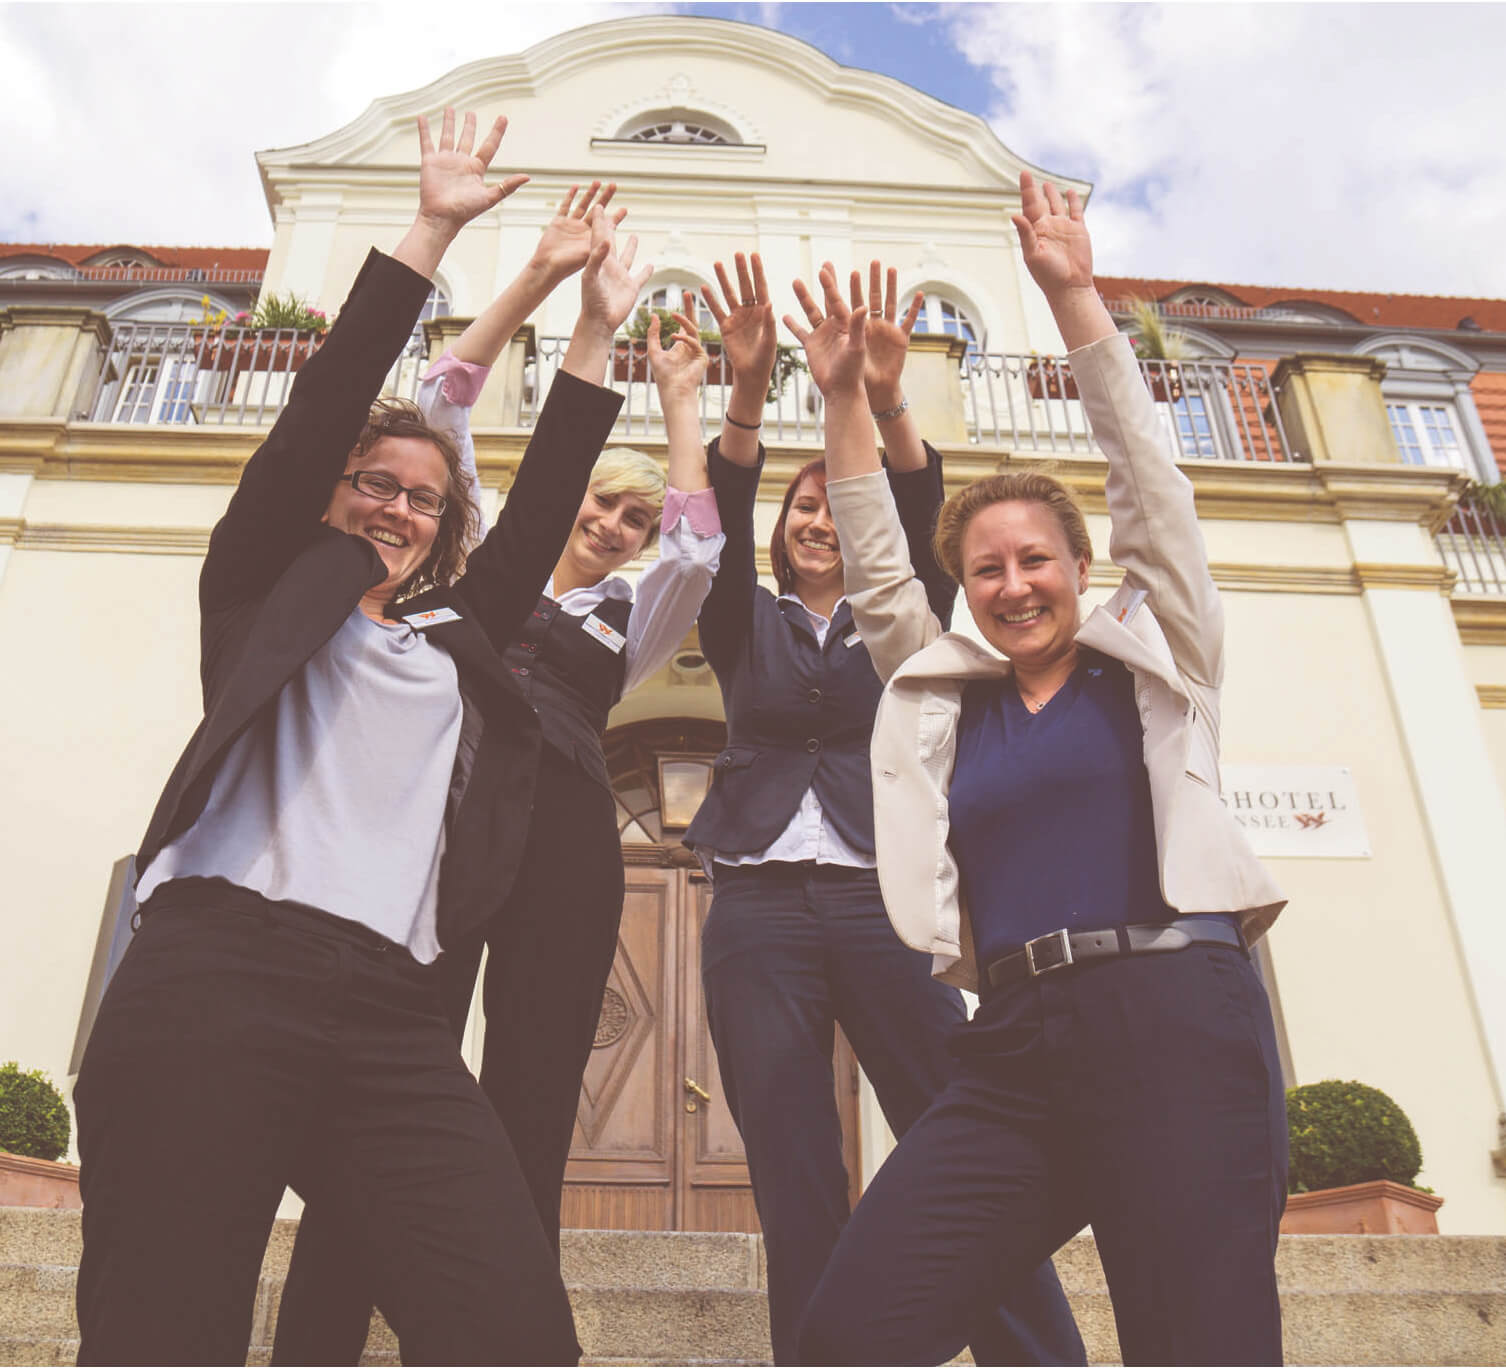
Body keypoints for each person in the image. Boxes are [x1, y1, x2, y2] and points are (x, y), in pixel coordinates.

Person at [71, 109, 651, 1367]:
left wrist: (599, 324)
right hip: (214, 976)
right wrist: (434, 225)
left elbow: (547, 493)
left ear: (446, 529)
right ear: (331, 492)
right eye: (372, 483)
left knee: (510, 1325)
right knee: (165, 1330)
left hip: (391, 1021)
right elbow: (318, 409)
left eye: (422, 497)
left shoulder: (458, 637)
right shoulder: (266, 591)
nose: (394, 504)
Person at [793, 172, 1290, 1366]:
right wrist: (845, 399)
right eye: (986, 570)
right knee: (855, 1328)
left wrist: (1073, 296)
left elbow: (1150, 488)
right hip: (1012, 1042)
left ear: (1081, 565)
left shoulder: (1154, 655)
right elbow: (873, 567)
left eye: (1037, 561)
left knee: (1200, 1347)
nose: (1014, 586)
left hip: (1177, 1015)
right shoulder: (944, 696)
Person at [271, 206, 724, 1363]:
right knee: (395, 1052)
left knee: (536, 1070)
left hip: (567, 819)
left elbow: (700, 552)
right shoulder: (474, 551)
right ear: (563, 495)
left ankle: (496, 1335)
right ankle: (319, 1333)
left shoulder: (632, 615)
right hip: (442, 799)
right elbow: (443, 397)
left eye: (632, 514)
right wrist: (537, 281)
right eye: (603, 503)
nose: (619, 525)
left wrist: (681, 407)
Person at [680, 254, 1084, 1367]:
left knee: (964, 1139)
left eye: (828, 504)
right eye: (802, 506)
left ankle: (1038, 1359)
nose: (818, 518)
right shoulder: (739, 622)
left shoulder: (913, 624)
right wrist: (749, 393)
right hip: (758, 910)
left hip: (882, 900)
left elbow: (908, 503)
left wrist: (871, 393)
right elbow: (715, 511)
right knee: (794, 1168)